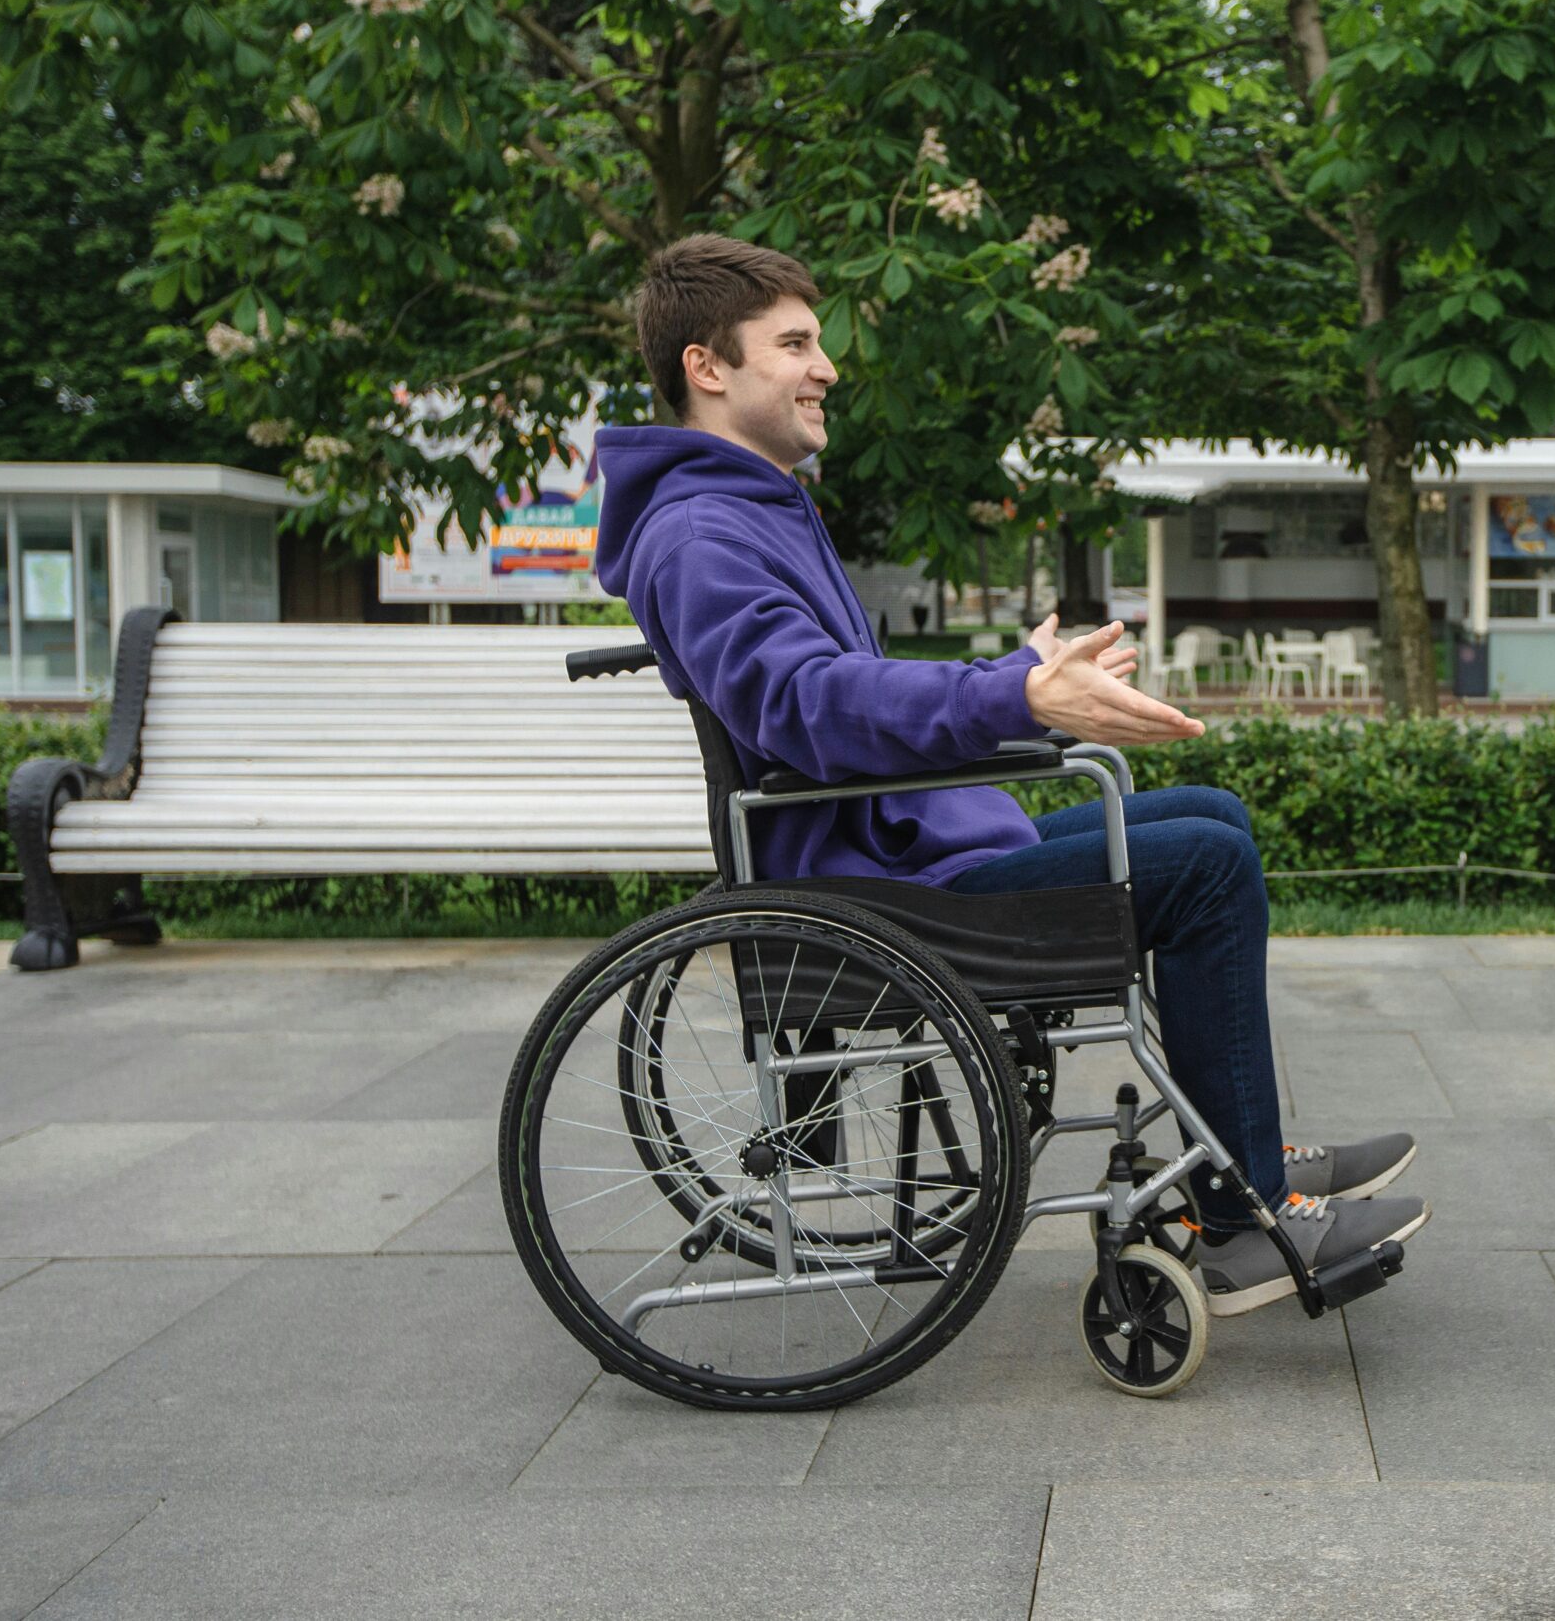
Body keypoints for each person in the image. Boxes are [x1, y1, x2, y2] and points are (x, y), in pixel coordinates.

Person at [592, 233, 1429, 1316]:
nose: (826, 366)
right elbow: (807, 707)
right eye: (794, 343)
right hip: (873, 891)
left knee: (1208, 816)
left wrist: (1014, 678)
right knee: (1208, 867)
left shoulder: (747, 508)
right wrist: (1013, 698)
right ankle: (1238, 1215)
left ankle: (1238, 1157)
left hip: (891, 857)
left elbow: (836, 687)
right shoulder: (705, 530)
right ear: (708, 367)